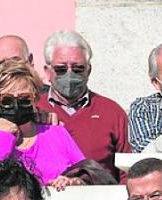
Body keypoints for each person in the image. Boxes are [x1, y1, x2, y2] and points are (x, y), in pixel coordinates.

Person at [0, 59, 88, 190]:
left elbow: (85, 175)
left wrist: (72, 181)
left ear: (35, 98)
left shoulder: (57, 133)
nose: (16, 105)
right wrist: (3, 136)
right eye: (7, 100)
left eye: (24, 99)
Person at [35, 31, 132, 183]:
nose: (69, 75)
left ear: (89, 70)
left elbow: (127, 171)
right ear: (47, 71)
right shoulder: (35, 110)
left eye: (78, 68)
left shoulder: (112, 112)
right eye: (61, 69)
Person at [0, 35, 42, 134]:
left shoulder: (48, 100)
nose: (8, 68)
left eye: (15, 61)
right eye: (0, 65)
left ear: (30, 60)